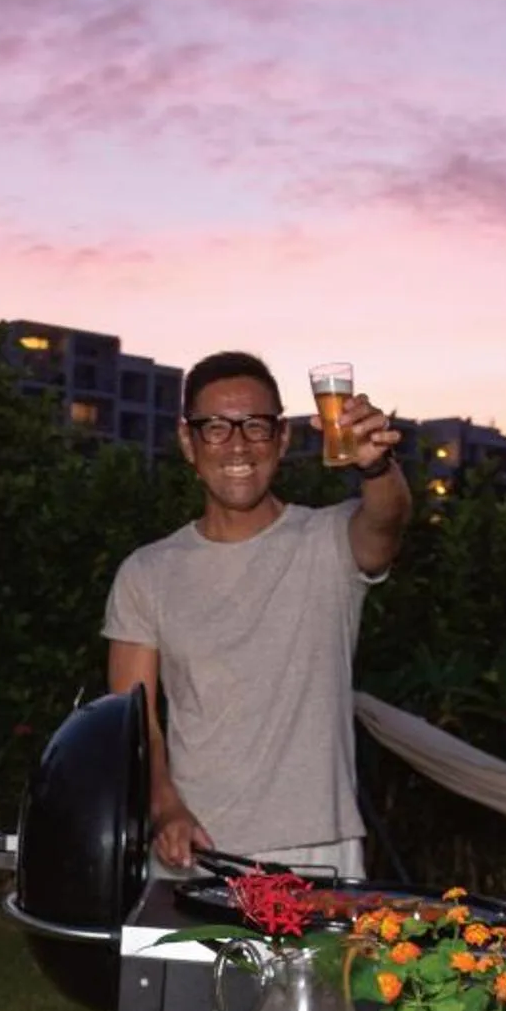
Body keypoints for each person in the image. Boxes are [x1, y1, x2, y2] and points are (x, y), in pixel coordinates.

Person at [104, 350, 409, 876]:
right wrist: (164, 807)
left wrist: (376, 466)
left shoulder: (328, 542)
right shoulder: (147, 572)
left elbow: (388, 520)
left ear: (283, 439)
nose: (238, 444)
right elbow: (132, 722)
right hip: (193, 851)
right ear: (187, 442)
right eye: (216, 427)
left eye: (256, 426)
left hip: (318, 854)